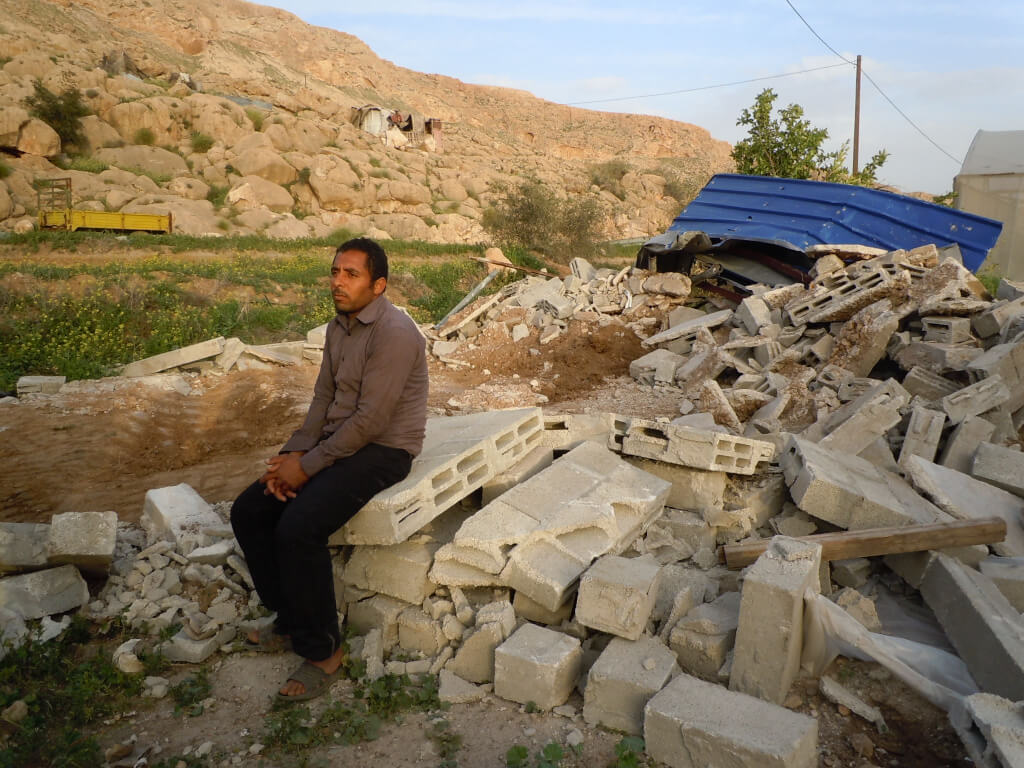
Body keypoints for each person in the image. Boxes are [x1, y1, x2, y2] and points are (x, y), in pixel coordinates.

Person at [230, 237, 428, 701]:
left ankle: (323, 652)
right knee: (250, 509)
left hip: (384, 449)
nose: (338, 282)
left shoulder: (395, 334)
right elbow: (323, 399)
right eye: (335, 272)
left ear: (378, 285)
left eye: (351, 274)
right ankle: (291, 620)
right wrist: (293, 454)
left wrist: (309, 466)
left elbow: (371, 421)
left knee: (299, 527)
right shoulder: (338, 326)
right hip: (339, 441)